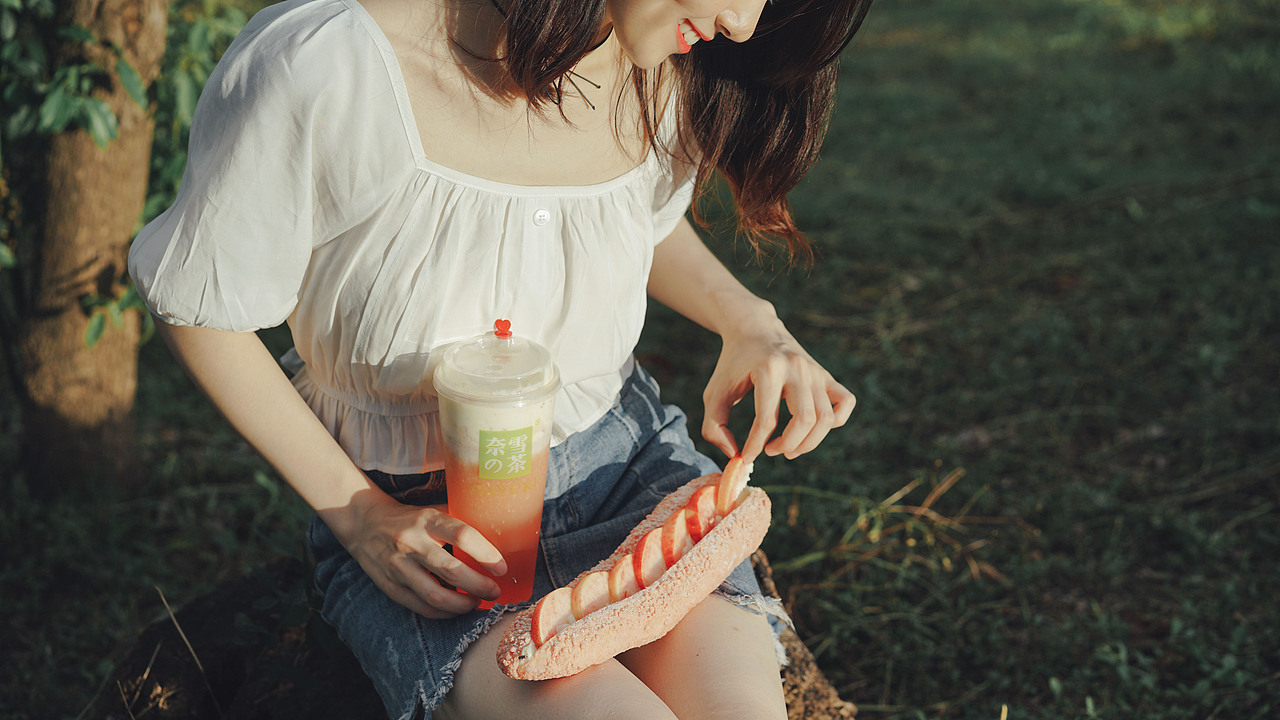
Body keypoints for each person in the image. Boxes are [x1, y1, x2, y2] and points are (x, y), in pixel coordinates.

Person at [129, 0, 869, 717]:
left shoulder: (653, 55)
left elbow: (626, 217)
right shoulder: (329, 64)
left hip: (627, 473)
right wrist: (360, 517)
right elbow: (199, 309)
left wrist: (749, 319)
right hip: (436, 534)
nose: (744, 22)